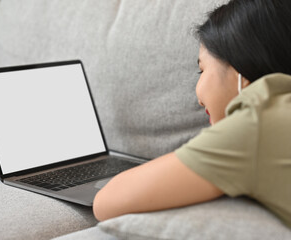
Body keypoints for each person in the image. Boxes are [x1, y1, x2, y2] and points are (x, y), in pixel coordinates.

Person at [93, 0, 291, 228]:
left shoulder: (256, 124)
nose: (198, 96)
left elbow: (106, 202)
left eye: (202, 69)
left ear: (240, 68)